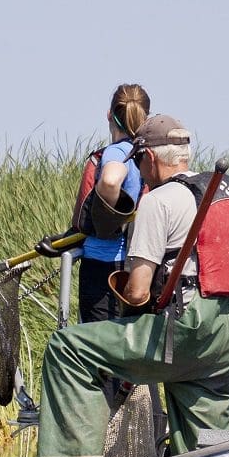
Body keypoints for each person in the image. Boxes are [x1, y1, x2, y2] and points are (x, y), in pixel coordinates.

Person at [10, 115, 229, 457]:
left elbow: (138, 290)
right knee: (202, 433)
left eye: (140, 162)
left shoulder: (159, 201)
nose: (140, 172)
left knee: (69, 347)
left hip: (188, 330)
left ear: (151, 159)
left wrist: (129, 298)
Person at [69, 84, 151, 323]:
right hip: (136, 266)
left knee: (96, 344)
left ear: (109, 114)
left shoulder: (116, 153)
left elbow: (110, 180)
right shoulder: (146, 156)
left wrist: (107, 221)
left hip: (101, 267)